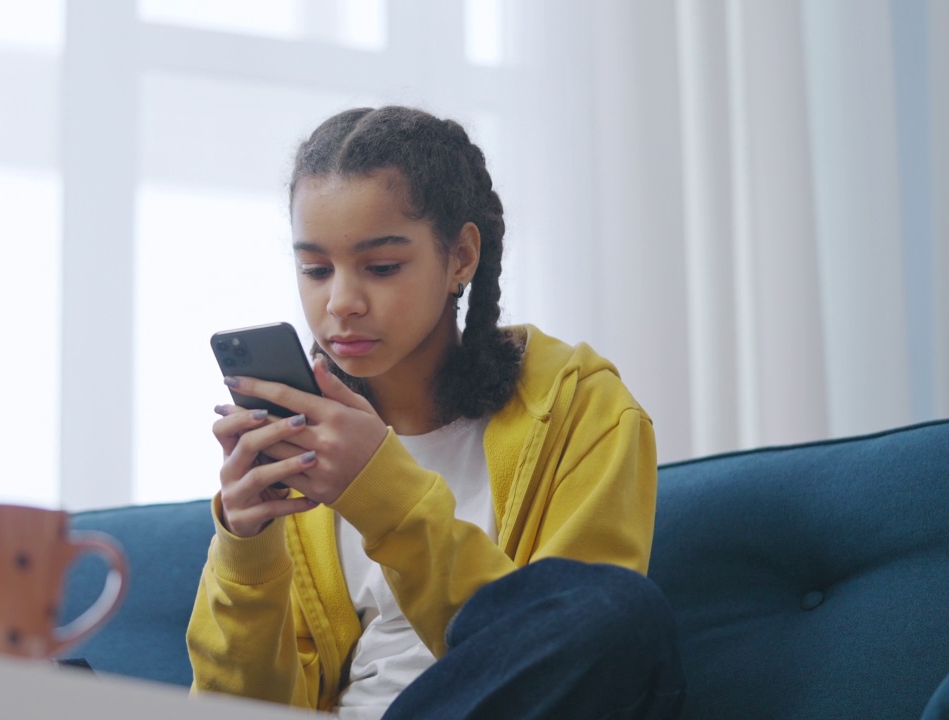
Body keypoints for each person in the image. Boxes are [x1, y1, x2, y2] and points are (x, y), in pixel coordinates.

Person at [186, 106, 685, 720]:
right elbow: (235, 709)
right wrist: (245, 547)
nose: (340, 302)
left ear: (461, 258)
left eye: (382, 267)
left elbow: (577, 650)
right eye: (315, 269)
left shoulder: (581, 407)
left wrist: (380, 494)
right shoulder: (299, 443)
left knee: (616, 609)